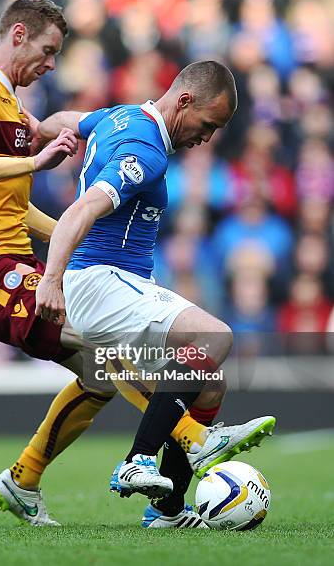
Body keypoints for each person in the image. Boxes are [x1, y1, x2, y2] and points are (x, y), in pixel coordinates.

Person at [0, 0, 228, 530]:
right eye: (47, 51)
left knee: (98, 376)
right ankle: (191, 438)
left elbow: (16, 211)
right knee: (105, 344)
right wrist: (35, 160)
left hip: (10, 258)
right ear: (17, 34)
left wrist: (65, 225)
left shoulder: (9, 102)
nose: (50, 64)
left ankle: (23, 479)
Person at [35, 60, 276, 524]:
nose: (207, 138)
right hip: (99, 282)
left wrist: (37, 131)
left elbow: (68, 121)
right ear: (184, 101)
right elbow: (81, 210)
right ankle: (138, 460)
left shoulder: (120, 116)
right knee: (216, 338)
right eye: (208, 125)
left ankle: (166, 510)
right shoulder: (145, 152)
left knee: (207, 384)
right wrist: (51, 280)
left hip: (110, 284)